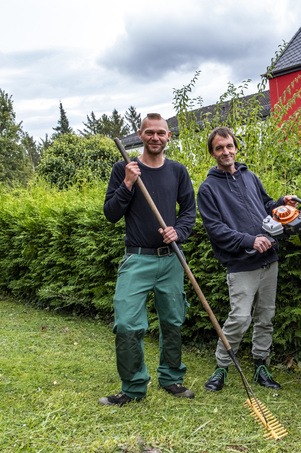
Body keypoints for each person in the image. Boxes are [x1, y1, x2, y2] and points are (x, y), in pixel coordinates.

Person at [100, 113, 196, 406]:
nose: (156, 137)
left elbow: (189, 212)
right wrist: (128, 184)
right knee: (128, 324)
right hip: (137, 258)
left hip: (170, 260)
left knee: (173, 321)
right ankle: (133, 387)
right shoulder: (124, 168)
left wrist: (177, 231)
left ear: (169, 137)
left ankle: (171, 378)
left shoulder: (178, 171)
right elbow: (111, 214)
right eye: (150, 132)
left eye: (161, 133)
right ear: (140, 135)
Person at [197, 126, 296, 392]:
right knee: (240, 318)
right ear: (212, 153)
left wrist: (281, 204)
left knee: (266, 316)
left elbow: (264, 207)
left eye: (229, 146)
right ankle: (221, 367)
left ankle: (261, 364)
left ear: (236, 148)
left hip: (269, 259)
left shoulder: (249, 176)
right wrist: (249, 240)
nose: (225, 152)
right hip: (241, 264)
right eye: (219, 148)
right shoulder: (208, 189)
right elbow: (216, 229)